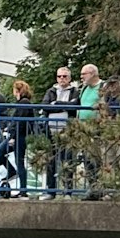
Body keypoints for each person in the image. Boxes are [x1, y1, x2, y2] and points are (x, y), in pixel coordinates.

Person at [42, 66, 79, 196]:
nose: (62, 79)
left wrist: (56, 104)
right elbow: (45, 107)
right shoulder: (51, 90)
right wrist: (63, 107)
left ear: (70, 78)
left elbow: (75, 106)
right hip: (51, 131)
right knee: (51, 161)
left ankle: (68, 191)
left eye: (64, 76)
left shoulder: (75, 91)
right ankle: (50, 191)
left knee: (67, 161)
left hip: (68, 131)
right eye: (59, 76)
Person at [1, 79, 36, 197]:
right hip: (18, 135)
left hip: (19, 137)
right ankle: (20, 185)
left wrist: (13, 136)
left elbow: (20, 122)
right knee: (6, 155)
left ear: (18, 91)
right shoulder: (23, 103)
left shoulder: (24, 103)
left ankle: (23, 189)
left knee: (17, 160)